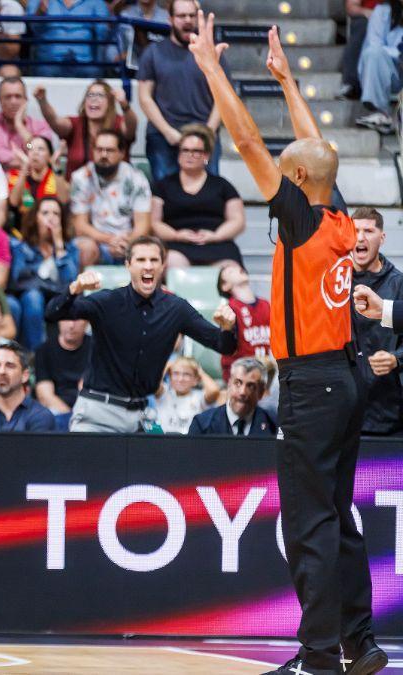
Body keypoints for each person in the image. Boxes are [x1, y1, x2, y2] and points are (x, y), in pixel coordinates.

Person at [197, 14, 383, 673]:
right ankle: (359, 643)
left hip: (311, 384)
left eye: (283, 173)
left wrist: (212, 68)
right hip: (348, 377)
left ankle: (317, 656)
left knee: (311, 525)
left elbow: (247, 139)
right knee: (340, 517)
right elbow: (317, 145)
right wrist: (285, 81)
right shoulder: (335, 213)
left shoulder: (304, 223)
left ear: (297, 183)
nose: (272, 173)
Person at [45, 236, 236, 433]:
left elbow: (224, 346)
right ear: (128, 265)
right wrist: (74, 289)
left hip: (141, 415)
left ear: (163, 266)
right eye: (141, 260)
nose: (148, 266)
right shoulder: (108, 301)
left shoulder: (176, 309)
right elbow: (52, 313)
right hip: (97, 414)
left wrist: (228, 327)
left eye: (154, 260)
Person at [137, 0, 226, 181]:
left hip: (205, 134)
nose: (187, 20)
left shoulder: (212, 53)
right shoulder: (153, 52)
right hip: (164, 136)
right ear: (170, 19)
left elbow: (223, 97)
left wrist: (208, 132)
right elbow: (145, 97)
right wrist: (168, 132)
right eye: (181, 16)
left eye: (192, 16)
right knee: (164, 196)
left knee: (209, 195)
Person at [150, 124, 245, 268]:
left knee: (231, 270)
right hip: (176, 244)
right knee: (173, 263)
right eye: (185, 150)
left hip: (217, 244)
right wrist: (176, 235)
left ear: (206, 155)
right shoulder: (162, 186)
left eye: (196, 151)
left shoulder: (223, 185)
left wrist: (216, 236)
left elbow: (238, 220)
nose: (190, 155)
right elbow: (154, 222)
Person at [348, 207, 403, 436]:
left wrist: (396, 359)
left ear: (382, 237)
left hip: (390, 412)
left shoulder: (399, 283)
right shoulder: (335, 283)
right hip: (346, 412)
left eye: (368, 230)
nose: (360, 237)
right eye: (355, 230)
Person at [69, 129, 152, 267]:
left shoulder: (136, 178)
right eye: (99, 149)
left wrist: (127, 242)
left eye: (110, 150)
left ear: (121, 153)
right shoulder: (81, 178)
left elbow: (143, 225)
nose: (103, 155)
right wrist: (109, 240)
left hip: (129, 241)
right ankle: (82, 288)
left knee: (149, 251)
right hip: (95, 240)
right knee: (86, 248)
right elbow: (80, 225)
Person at [9, 196, 79, 349]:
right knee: (33, 297)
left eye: (56, 214)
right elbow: (17, 279)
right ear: (36, 218)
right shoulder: (21, 247)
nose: (51, 218)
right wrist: (49, 283)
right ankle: (35, 356)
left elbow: (72, 283)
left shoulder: (71, 248)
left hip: (59, 300)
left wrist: (59, 247)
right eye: (45, 213)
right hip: (30, 299)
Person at [34, 80, 137, 176]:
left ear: (110, 102)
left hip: (115, 191)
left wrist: (125, 105)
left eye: (100, 95)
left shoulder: (119, 123)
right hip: (76, 191)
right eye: (90, 95)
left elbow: (131, 126)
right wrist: (42, 101)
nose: (94, 99)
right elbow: (55, 121)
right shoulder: (75, 124)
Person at [188, 356, 277, 436]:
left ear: (261, 392)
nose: (242, 392)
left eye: (251, 386)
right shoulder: (202, 424)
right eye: (237, 383)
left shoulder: (274, 425)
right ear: (229, 384)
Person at [0, 76, 56, 169]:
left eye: (18, 96)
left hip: (31, 180)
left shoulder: (40, 126)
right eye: (8, 97)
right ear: (0, 100)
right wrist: (26, 159)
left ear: (26, 100)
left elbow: (36, 151)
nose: (13, 101)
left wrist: (19, 126)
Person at [26, 0, 112, 77]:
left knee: (94, 72)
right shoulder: (37, 1)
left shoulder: (97, 2)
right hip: (49, 63)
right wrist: (40, 13)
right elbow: (33, 29)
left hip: (84, 63)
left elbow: (103, 34)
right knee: (44, 71)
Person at [354, 0, 403, 134]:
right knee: (373, 53)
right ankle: (381, 114)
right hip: (393, 72)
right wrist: (398, 53)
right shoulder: (382, 11)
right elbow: (374, 44)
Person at [216, 262, 271, 380]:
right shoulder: (229, 310)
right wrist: (227, 329)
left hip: (266, 373)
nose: (238, 269)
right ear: (225, 286)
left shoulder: (266, 304)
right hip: (240, 376)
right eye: (231, 271)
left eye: (239, 268)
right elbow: (226, 347)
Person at [34, 318, 90, 429]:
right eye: (67, 319)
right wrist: (70, 417)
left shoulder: (97, 348)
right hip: (56, 410)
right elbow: (45, 395)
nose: (71, 325)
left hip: (88, 408)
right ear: (59, 321)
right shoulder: (44, 350)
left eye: (77, 319)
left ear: (87, 322)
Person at [152, 355, 220, 434]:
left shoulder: (199, 397)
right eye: (176, 373)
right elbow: (152, 384)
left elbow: (214, 390)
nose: (180, 379)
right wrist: (167, 366)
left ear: (196, 380)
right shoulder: (164, 394)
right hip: (164, 442)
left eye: (186, 374)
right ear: (170, 378)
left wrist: (199, 371)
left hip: (190, 443)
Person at [6, 135, 67, 220]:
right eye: (31, 149)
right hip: (22, 229)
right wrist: (25, 168)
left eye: (41, 149)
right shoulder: (18, 175)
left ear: (50, 155)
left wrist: (55, 165)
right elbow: (14, 202)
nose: (35, 152)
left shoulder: (57, 176)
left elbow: (64, 200)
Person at [339, 0, 380, 101]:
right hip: (369, 18)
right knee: (362, 26)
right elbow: (351, 7)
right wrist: (370, 13)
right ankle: (352, 84)